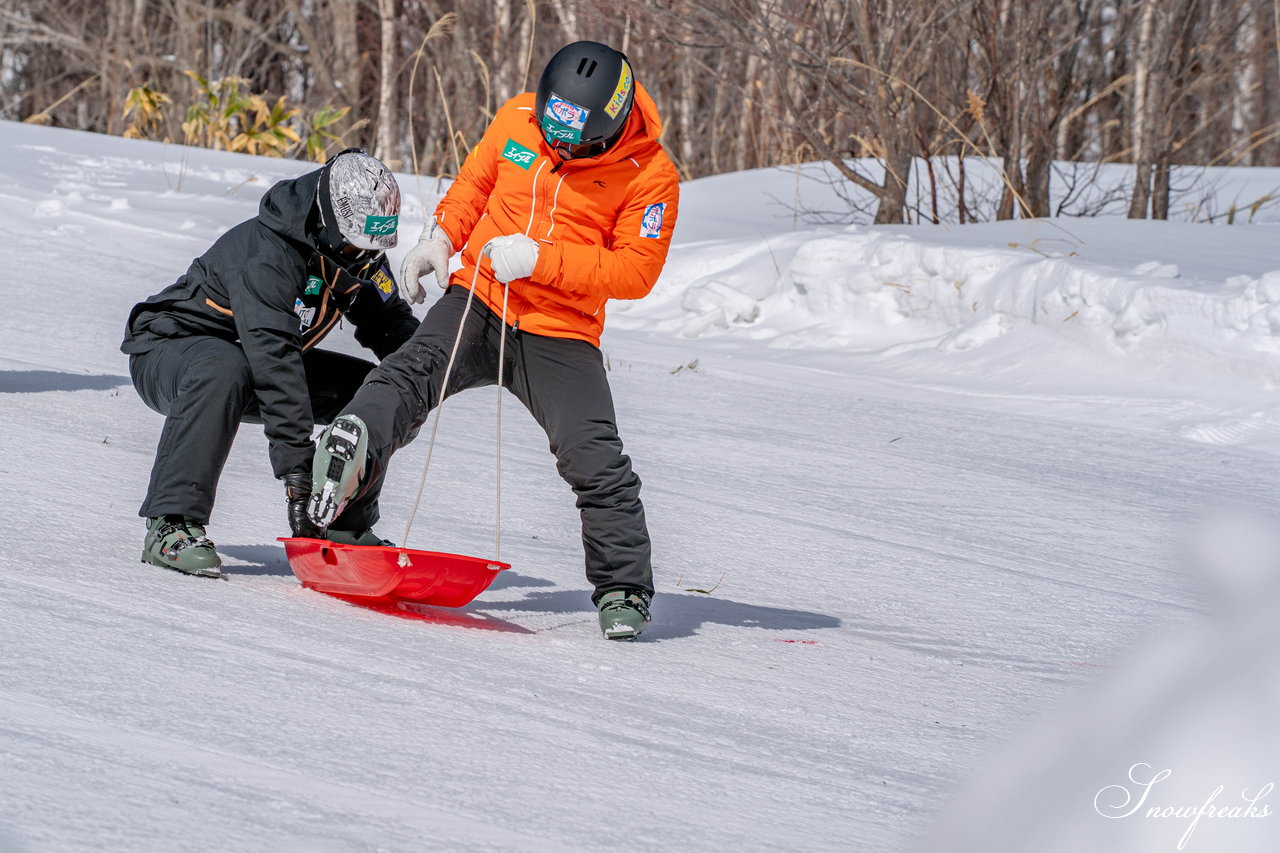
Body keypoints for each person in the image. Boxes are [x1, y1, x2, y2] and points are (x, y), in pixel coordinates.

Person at [306, 41, 680, 640]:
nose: (555, 142)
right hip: (478, 299)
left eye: (571, 136)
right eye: (550, 126)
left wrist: (541, 259)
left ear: (609, 122)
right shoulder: (517, 117)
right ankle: (347, 473)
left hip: (561, 331)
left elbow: (636, 272)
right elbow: (474, 185)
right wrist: (441, 239)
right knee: (407, 375)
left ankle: (623, 589)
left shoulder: (651, 177)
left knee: (594, 457)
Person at [121, 149, 419, 578]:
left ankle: (344, 523)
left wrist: (434, 369)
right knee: (225, 367)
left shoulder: (359, 256)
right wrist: (298, 476)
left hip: (254, 361)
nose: (363, 254)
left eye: (372, 246)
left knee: (378, 392)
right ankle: (171, 524)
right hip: (170, 353)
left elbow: (392, 328)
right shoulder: (268, 254)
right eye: (355, 243)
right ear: (329, 221)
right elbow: (275, 361)